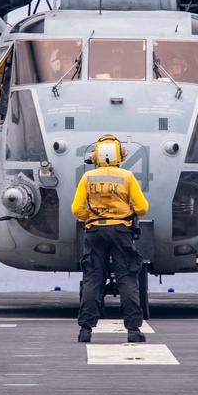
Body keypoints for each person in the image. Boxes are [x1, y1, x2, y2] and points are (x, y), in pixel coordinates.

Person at [71, 134, 149, 343]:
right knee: (127, 278)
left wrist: (92, 216)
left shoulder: (87, 178)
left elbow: (77, 209)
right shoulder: (127, 177)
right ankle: (133, 330)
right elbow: (142, 208)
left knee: (93, 278)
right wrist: (126, 211)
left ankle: (85, 329)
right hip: (121, 232)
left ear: (96, 155)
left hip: (95, 232)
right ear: (119, 155)